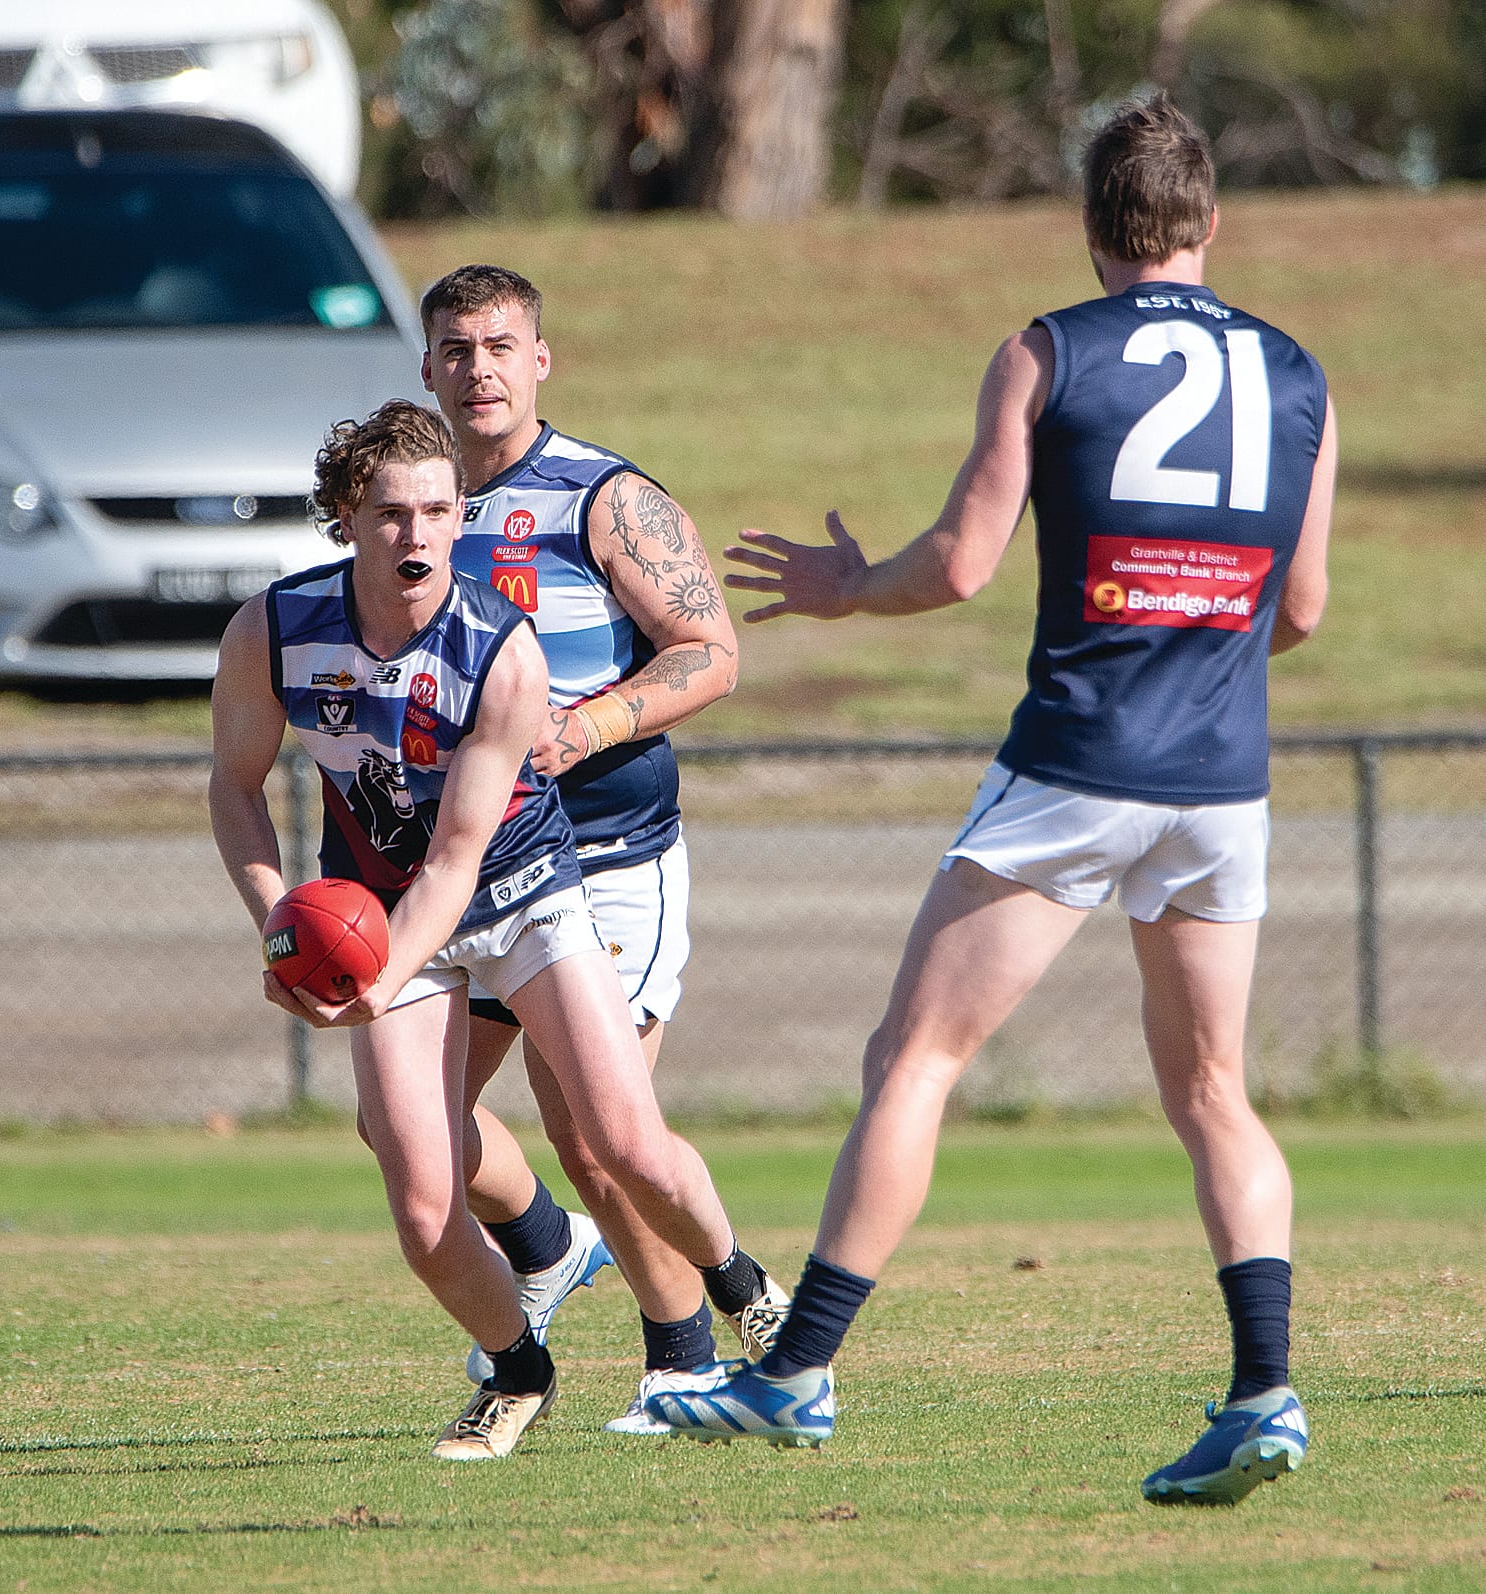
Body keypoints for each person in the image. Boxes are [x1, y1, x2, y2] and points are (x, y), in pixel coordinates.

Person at [646, 93, 1337, 1508]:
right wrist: (1197, 651)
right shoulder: (1300, 374)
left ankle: (794, 1373)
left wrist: (845, 589)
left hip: (1080, 761)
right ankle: (1266, 1389)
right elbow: (1304, 610)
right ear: (1210, 223)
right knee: (1215, 1089)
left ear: (1093, 230)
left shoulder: (1050, 349)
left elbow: (960, 564)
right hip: (1223, 784)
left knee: (916, 1055)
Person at [208, 399, 782, 1461]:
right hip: (390, 919)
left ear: (459, 515)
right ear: (344, 516)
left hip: (525, 900)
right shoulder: (275, 630)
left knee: (624, 1144)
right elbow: (236, 790)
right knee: (422, 1205)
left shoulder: (499, 649)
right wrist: (279, 927)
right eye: (388, 513)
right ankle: (520, 1370)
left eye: (436, 510)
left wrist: (372, 981)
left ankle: (745, 1288)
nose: (416, 534)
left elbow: (462, 855)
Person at [416, 263, 787, 1432]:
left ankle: (685, 1356)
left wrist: (590, 723)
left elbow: (709, 649)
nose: (479, 368)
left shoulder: (604, 497)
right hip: (469, 870)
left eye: (500, 345)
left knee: (589, 1124)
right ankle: (547, 1246)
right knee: (414, 1125)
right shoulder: (417, 507)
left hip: (611, 852)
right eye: (456, 349)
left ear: (540, 361)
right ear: (427, 368)